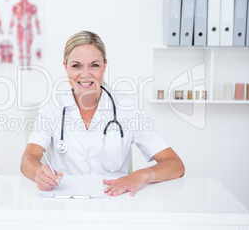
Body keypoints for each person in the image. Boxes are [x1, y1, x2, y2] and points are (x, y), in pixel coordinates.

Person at [20, 31, 184, 196]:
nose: (85, 74)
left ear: (105, 65)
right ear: (65, 67)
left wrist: (140, 176)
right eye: (76, 65)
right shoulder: (53, 106)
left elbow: (175, 165)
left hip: (114, 201)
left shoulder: (128, 107)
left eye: (94, 65)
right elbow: (28, 159)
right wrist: (38, 172)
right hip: (66, 201)